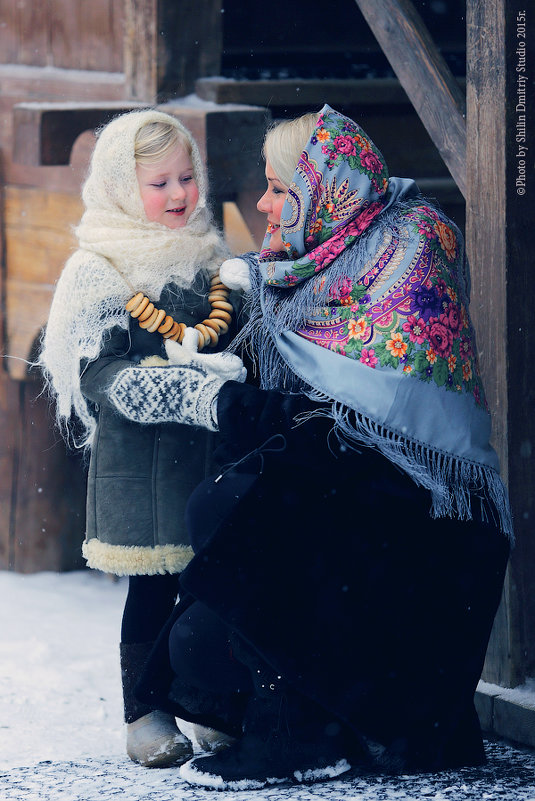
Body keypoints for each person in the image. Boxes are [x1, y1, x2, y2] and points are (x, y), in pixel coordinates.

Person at [104, 105, 512, 790]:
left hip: (421, 541)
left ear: (326, 192)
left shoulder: (411, 249)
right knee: (194, 645)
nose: (262, 203)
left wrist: (222, 404)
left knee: (242, 500)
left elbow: (349, 428)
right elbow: (238, 338)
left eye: (276, 187)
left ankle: (294, 731)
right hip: (352, 529)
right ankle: (320, 717)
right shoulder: (307, 259)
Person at [39, 108, 245, 768]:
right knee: (153, 590)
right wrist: (180, 389)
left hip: (207, 462)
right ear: (124, 189)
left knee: (215, 586)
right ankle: (144, 709)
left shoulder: (209, 260)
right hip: (144, 465)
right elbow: (99, 373)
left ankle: (214, 702)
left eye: (187, 177)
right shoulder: (100, 270)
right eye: (160, 184)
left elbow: (228, 337)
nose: (181, 194)